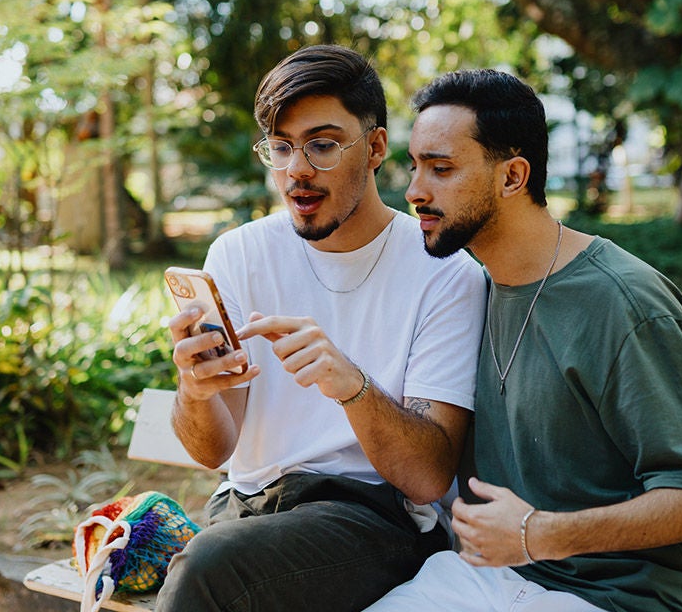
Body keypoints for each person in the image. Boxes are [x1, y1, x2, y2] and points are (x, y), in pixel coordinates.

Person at [369, 68, 682, 612]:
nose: (414, 191)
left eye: (441, 169)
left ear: (512, 177)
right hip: (496, 582)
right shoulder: (468, 292)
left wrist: (539, 534)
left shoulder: (621, 302)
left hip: (635, 597)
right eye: (414, 167)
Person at [156, 45, 487, 612]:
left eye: (323, 145)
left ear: (376, 147)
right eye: (281, 148)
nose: (296, 170)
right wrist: (195, 389)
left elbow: (430, 478)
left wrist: (352, 386)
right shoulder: (239, 253)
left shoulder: (445, 272)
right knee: (213, 558)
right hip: (248, 508)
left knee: (208, 568)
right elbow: (213, 451)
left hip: (373, 519)